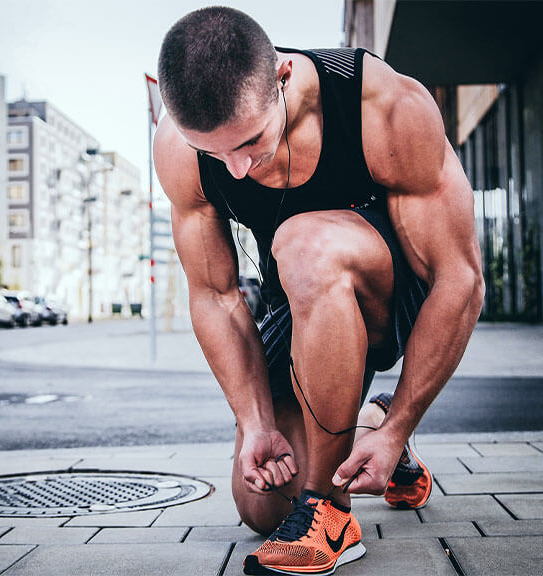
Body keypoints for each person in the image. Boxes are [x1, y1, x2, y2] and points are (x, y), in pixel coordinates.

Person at [154, 6, 484, 575]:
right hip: (300, 301)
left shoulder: (380, 104)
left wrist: (409, 416)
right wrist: (255, 421)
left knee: (304, 243)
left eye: (251, 141)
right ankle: (368, 429)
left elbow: (460, 278)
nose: (235, 169)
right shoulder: (180, 146)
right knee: (261, 504)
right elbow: (215, 295)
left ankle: (330, 514)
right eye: (215, 153)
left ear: (282, 77)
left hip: (391, 294)